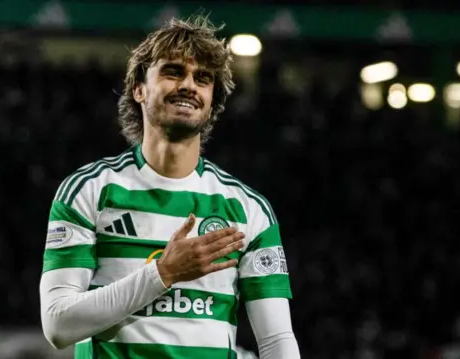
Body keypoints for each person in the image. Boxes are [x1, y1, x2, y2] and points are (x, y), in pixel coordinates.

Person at [39, 15, 301, 359]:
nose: (189, 85)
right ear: (139, 89)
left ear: (211, 103)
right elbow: (58, 325)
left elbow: (276, 341)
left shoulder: (248, 208)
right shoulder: (89, 191)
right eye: (173, 72)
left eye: (203, 78)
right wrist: (163, 273)